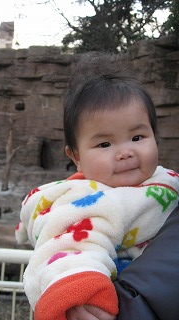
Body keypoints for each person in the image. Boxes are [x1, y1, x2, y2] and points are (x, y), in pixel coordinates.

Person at [15, 55, 179, 320]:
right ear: (75, 157)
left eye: (137, 137)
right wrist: (79, 291)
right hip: (118, 297)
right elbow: (70, 247)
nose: (125, 152)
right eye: (104, 144)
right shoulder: (86, 201)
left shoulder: (165, 179)